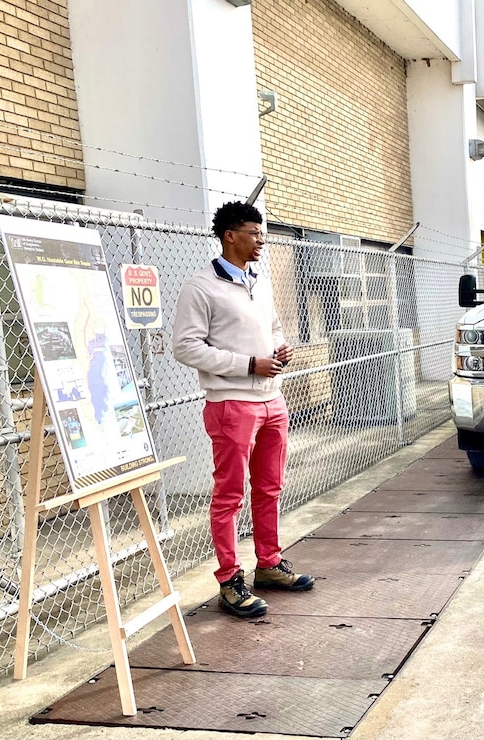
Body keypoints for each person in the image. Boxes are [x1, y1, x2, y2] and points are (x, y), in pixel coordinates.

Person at [173, 201, 314, 618]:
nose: (261, 241)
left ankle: (269, 564)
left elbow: (272, 328)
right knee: (229, 495)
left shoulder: (261, 283)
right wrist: (248, 364)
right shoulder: (201, 288)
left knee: (270, 487)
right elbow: (185, 347)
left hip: (272, 399)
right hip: (231, 403)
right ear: (230, 236)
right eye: (254, 233)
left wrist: (278, 348)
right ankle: (229, 579)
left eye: (262, 234)